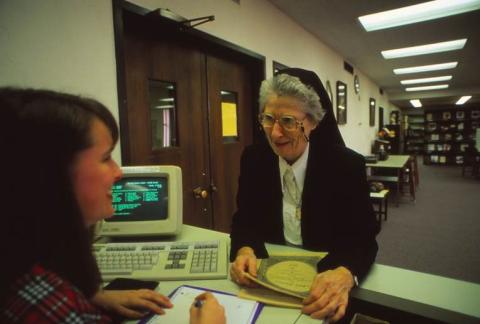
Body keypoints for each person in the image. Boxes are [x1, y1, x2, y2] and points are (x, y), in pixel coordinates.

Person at [0, 88, 225, 324]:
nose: (118, 173)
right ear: (50, 175)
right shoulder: (53, 310)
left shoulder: (26, 264)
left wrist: (95, 297)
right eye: (105, 158)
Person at [229, 68, 378, 322]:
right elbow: (245, 220)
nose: (275, 134)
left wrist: (345, 272)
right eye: (268, 119)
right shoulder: (254, 159)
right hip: (268, 285)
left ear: (313, 121)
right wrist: (244, 249)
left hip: (320, 287)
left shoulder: (346, 166)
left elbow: (363, 240)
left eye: (288, 121)